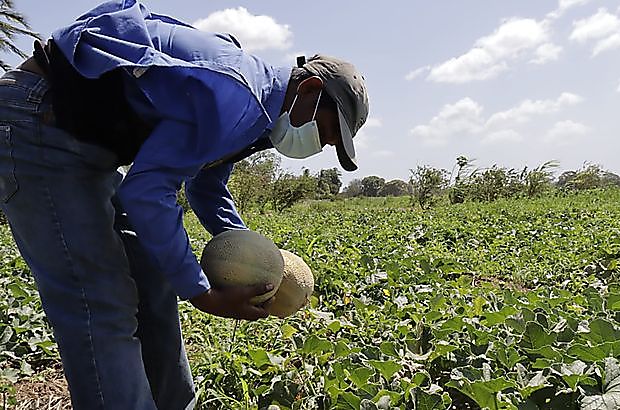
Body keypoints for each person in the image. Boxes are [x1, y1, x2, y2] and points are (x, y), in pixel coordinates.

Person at [0, 0, 369, 409]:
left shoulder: (261, 115)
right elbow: (146, 191)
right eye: (330, 131)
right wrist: (202, 294)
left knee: (153, 282)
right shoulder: (239, 97)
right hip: (35, 119)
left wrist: (252, 251)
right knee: (100, 302)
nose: (324, 145)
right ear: (310, 89)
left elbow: (206, 185)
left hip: (81, 139)